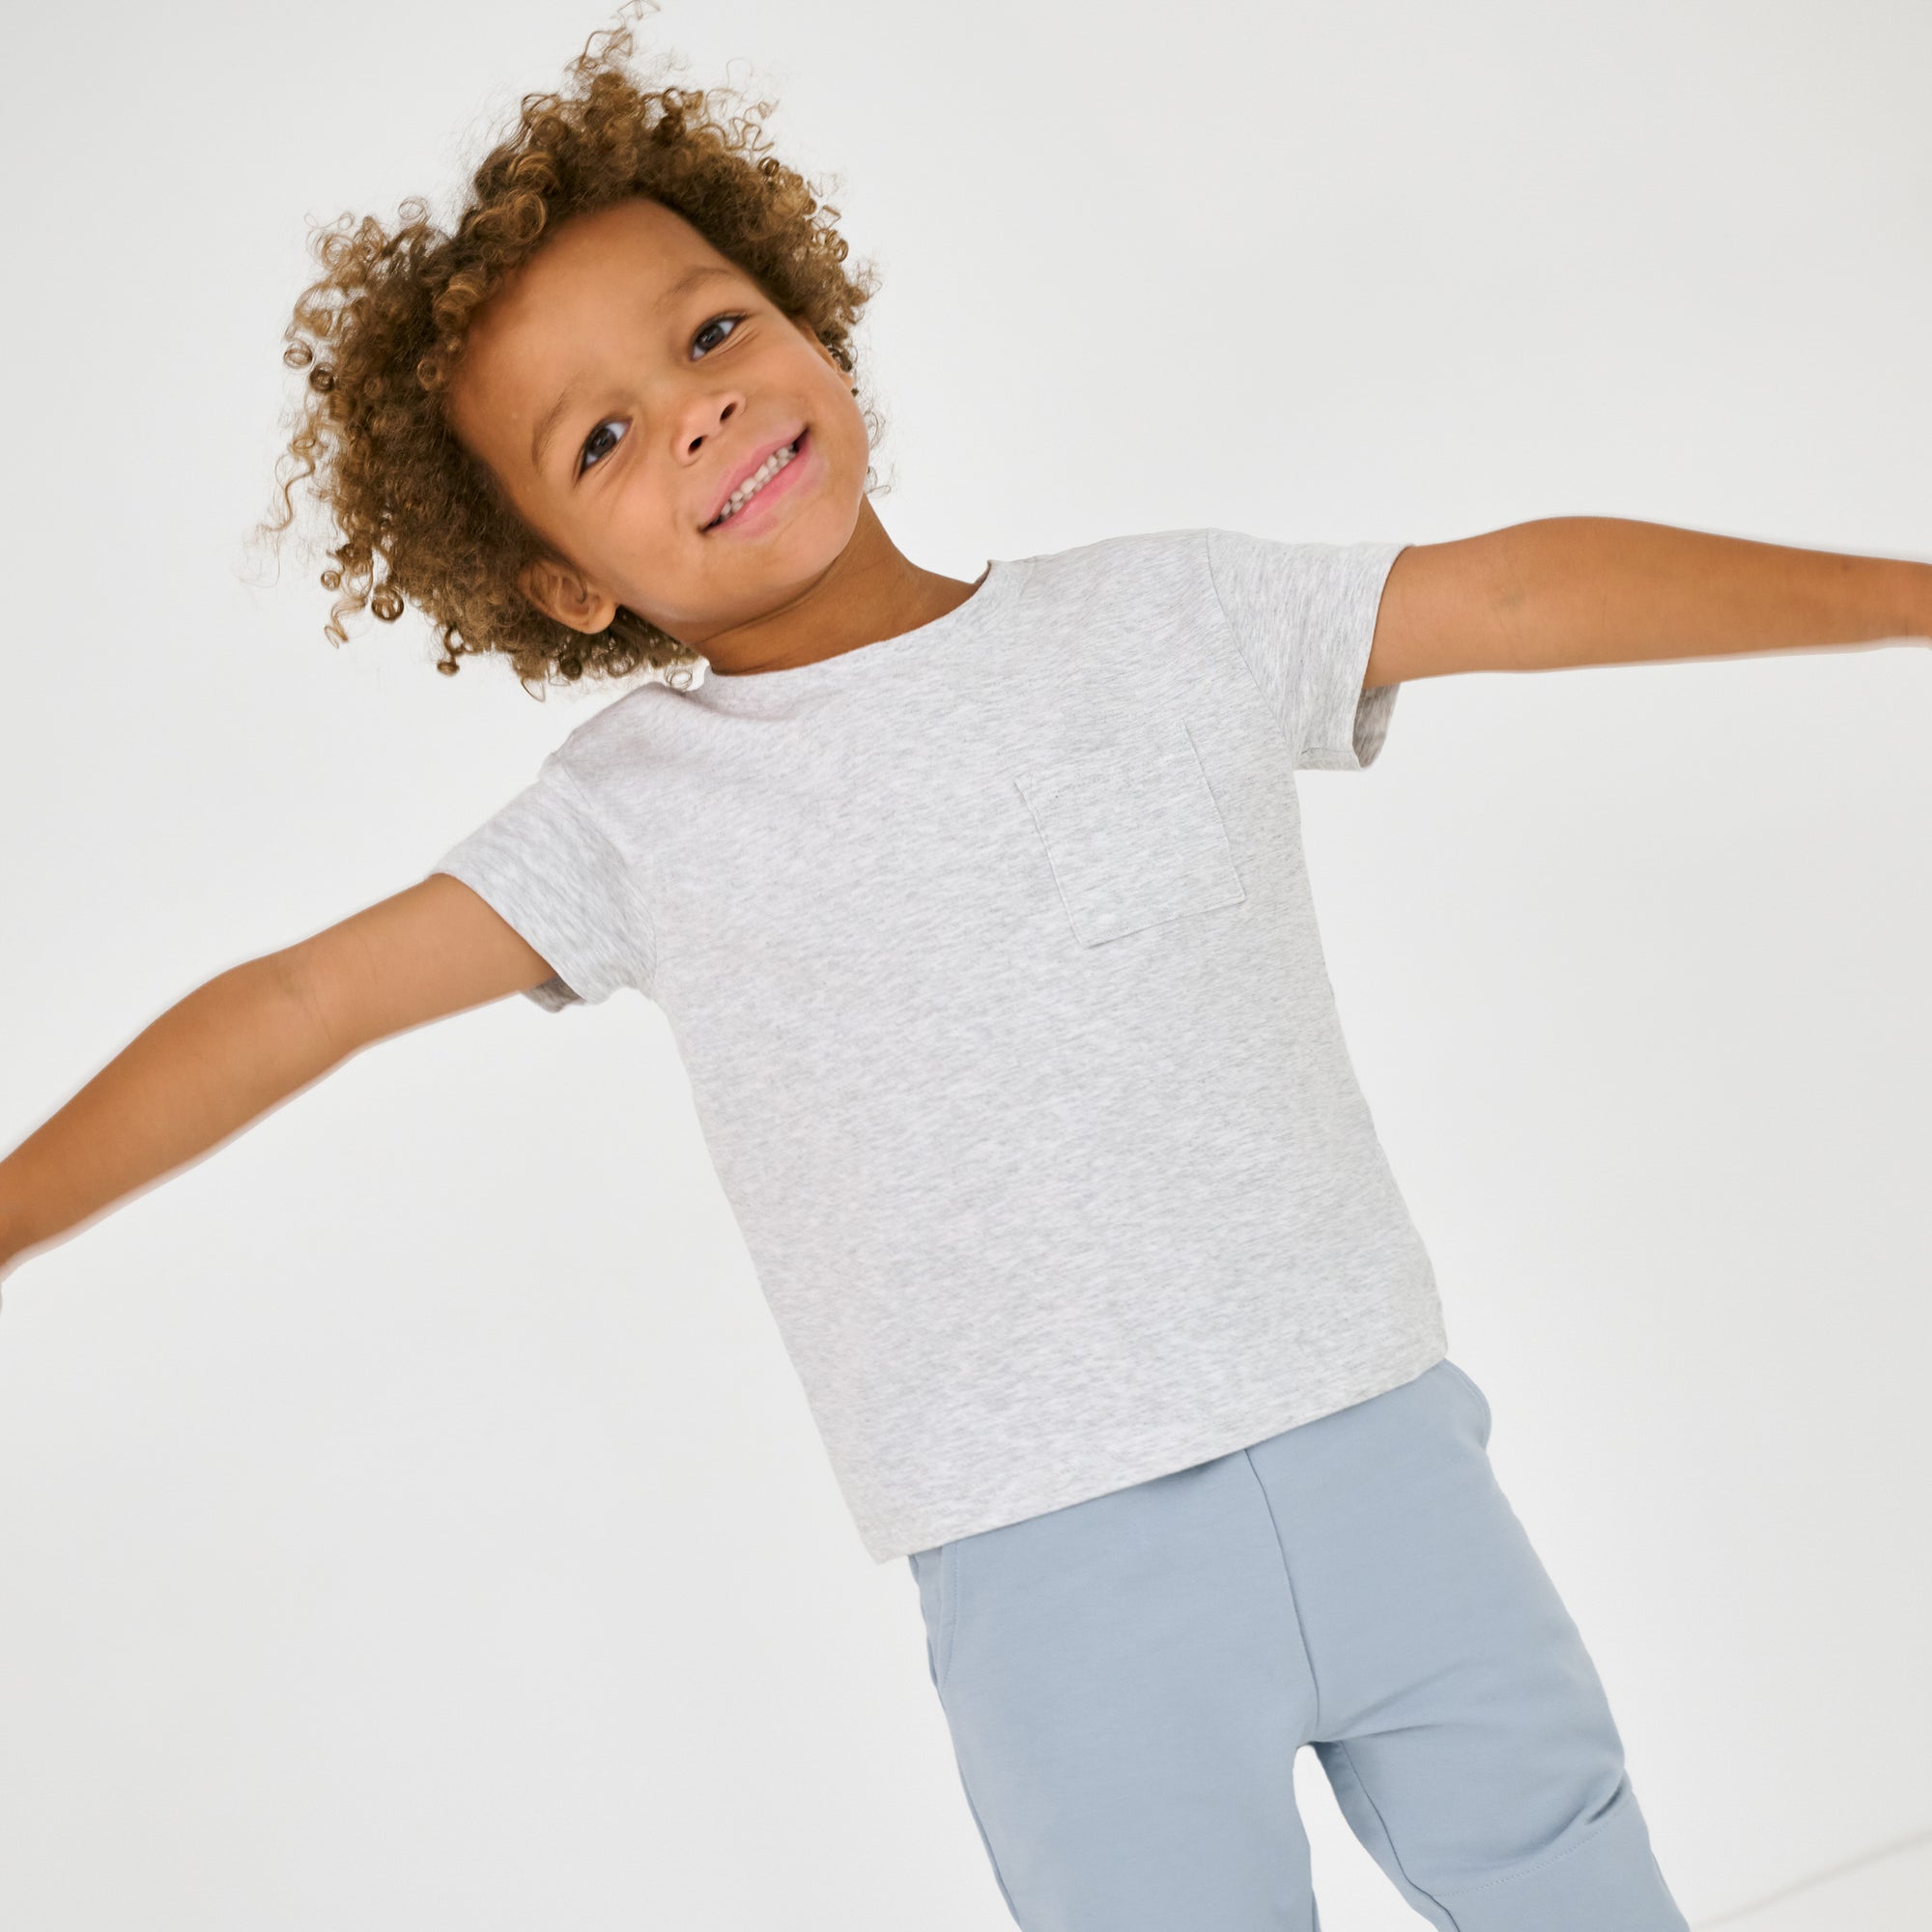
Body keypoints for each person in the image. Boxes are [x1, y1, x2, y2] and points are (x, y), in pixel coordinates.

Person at [2, 14, 1924, 1929]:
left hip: (1384, 1455)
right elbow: (293, 1004)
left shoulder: (1170, 614)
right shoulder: (634, 816)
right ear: (566, 583)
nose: (693, 409)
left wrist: (1902, 600)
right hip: (1057, 1586)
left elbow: (1508, 587)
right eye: (600, 438)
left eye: (711, 332)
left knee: (1586, 1897)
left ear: (804, 312)